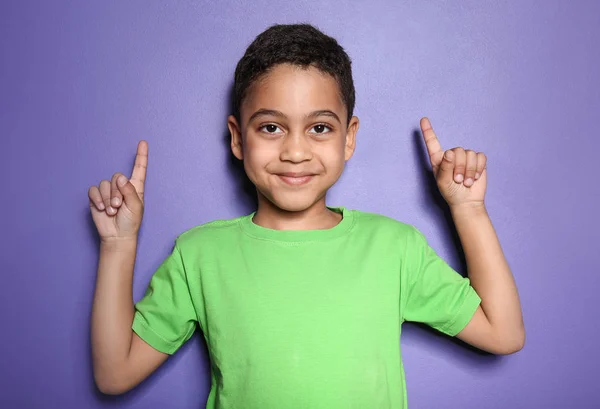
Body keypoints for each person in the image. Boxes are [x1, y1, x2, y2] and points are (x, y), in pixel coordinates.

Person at [88, 24, 525, 408]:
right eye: (271, 127)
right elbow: (114, 375)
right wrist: (118, 245)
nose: (295, 152)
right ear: (238, 139)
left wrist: (468, 210)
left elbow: (503, 334)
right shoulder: (198, 254)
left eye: (319, 128)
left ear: (348, 138)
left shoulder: (394, 247)